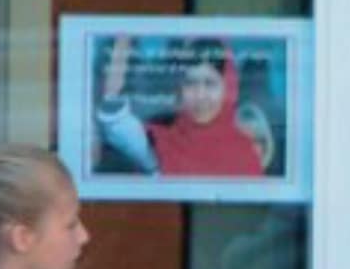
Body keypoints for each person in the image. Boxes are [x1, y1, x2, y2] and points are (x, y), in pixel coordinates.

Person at [96, 35, 264, 178]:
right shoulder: (161, 143)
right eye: (191, 83)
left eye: (210, 84)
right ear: (180, 88)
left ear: (228, 88)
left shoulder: (244, 153)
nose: (200, 95)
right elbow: (117, 123)